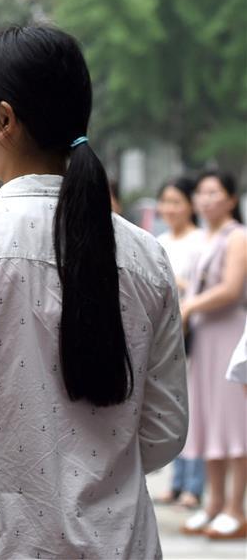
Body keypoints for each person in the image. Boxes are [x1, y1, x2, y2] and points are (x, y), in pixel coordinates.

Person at [0, 25, 188, 559]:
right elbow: (165, 429)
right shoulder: (147, 256)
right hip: (118, 540)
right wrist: (94, 467)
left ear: (4, 119)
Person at [179, 170, 247, 540]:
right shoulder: (206, 238)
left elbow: (231, 289)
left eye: (214, 192)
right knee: (210, 422)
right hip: (207, 338)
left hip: (229, 335)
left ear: (231, 199)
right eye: (201, 193)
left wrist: (189, 307)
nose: (206, 199)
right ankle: (214, 503)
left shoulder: (237, 236)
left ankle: (236, 507)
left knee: (234, 423)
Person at [153, 176, 206, 509]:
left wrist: (179, 283)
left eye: (177, 201)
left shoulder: (201, 241)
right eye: (166, 202)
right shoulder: (157, 240)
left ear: (190, 205)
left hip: (195, 331)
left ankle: (193, 484)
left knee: (198, 406)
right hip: (164, 331)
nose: (170, 208)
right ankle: (176, 481)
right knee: (170, 400)